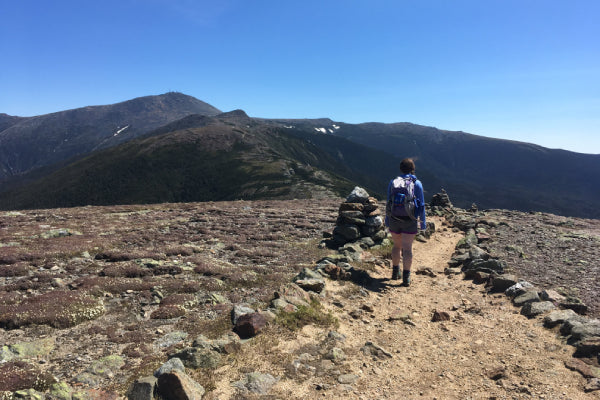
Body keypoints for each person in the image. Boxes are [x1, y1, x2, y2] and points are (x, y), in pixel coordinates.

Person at [385, 158, 426, 286]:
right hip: (409, 220)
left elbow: (388, 202)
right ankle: (406, 278)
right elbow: (422, 205)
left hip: (394, 219)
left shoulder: (393, 182)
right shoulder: (417, 183)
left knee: (397, 246)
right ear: (413, 169)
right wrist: (422, 223)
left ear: (401, 168)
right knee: (407, 249)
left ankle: (395, 272)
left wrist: (387, 220)